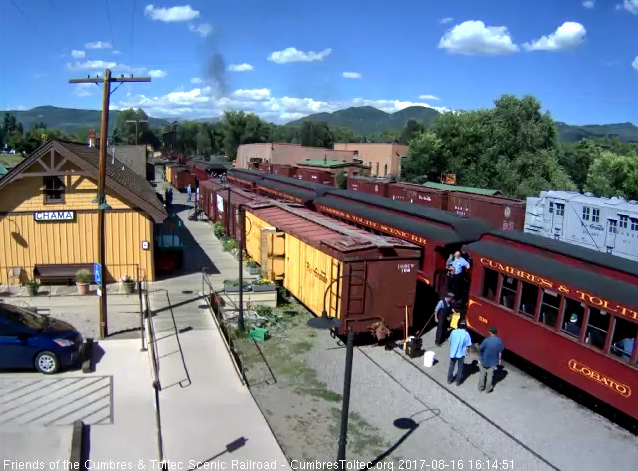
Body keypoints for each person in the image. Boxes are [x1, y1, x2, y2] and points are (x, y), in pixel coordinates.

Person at [476, 326, 504, 393]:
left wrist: (477, 346)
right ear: (496, 333)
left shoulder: (486, 340)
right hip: (493, 362)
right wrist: (499, 360)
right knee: (490, 376)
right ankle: (488, 389)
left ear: (490, 332)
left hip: (484, 360)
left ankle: (480, 388)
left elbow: (480, 349)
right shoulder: (499, 341)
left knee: (482, 374)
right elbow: (500, 352)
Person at [448, 320, 472, 385]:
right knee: (460, 368)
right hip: (461, 354)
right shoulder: (466, 334)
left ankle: (449, 380)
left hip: (453, 353)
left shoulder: (453, 332)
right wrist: (467, 352)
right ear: (465, 326)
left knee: (451, 367)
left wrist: (452, 348)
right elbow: (468, 345)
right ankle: (457, 382)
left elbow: (450, 340)